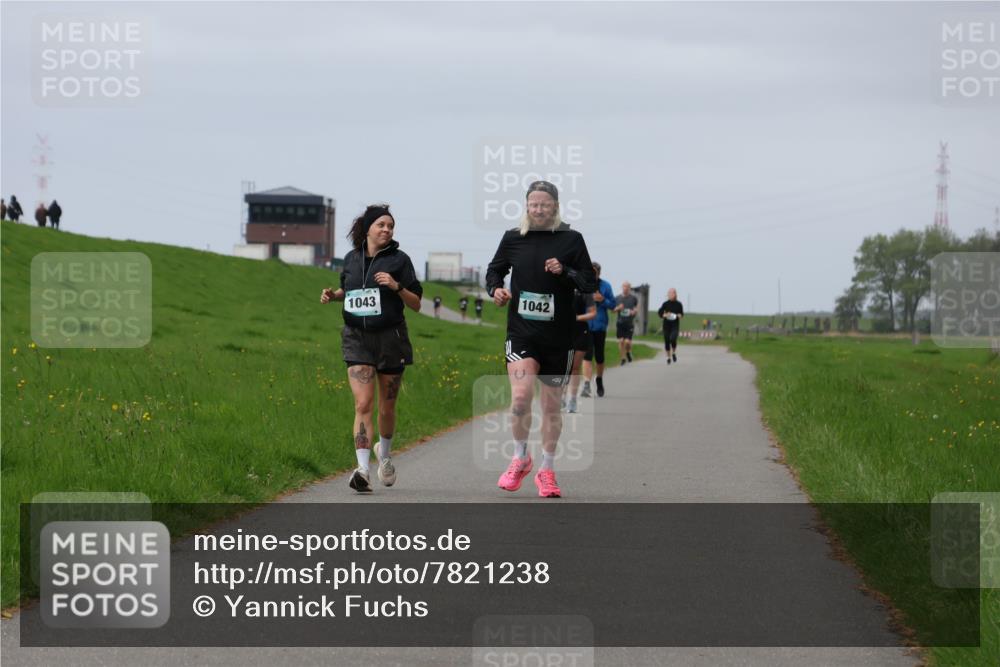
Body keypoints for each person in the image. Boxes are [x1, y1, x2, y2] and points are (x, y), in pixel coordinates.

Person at [486, 180, 596, 498]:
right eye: (533, 204)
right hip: (522, 333)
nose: (538, 209)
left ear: (555, 207)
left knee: (550, 406)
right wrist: (495, 289)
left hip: (559, 338)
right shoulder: (513, 238)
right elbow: (494, 270)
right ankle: (520, 457)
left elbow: (588, 282)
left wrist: (565, 271)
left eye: (544, 204)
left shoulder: (572, 239)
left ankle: (546, 470)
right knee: (521, 399)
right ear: (526, 206)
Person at [320, 204, 423, 493]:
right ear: (367, 229)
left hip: (391, 340)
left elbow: (416, 303)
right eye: (381, 225)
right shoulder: (351, 259)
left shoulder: (400, 260)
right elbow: (349, 290)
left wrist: (396, 286)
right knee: (363, 404)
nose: (387, 230)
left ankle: (385, 455)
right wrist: (334, 295)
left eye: (390, 226)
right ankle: (363, 469)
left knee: (386, 408)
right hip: (357, 339)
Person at [581, 262, 616, 397]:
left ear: (599, 273)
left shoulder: (606, 286)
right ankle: (586, 385)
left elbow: (613, 305)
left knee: (600, 357)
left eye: (594, 272)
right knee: (587, 355)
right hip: (586, 325)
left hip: (600, 326)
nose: (592, 274)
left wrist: (602, 300)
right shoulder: (582, 284)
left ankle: (599, 380)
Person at [564, 288, 596, 413]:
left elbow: (593, 313)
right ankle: (561, 397)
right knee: (562, 367)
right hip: (562, 331)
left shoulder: (584, 291)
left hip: (580, 331)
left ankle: (572, 400)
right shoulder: (559, 285)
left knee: (574, 368)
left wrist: (576, 318)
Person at [613, 281, 639, 365]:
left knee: (627, 342)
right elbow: (613, 310)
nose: (626, 288)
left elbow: (636, 308)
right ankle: (623, 358)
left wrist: (634, 312)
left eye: (627, 286)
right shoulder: (617, 298)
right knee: (621, 341)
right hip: (620, 322)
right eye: (624, 286)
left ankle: (628, 352)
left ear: (630, 288)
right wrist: (618, 308)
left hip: (629, 323)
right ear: (622, 287)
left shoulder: (633, 298)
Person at [658, 288, 684, 364]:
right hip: (666, 325)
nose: (669, 295)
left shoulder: (679, 304)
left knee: (673, 339)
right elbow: (660, 313)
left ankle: (674, 353)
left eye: (671, 293)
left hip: (675, 325)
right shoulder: (665, 304)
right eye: (668, 293)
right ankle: (668, 357)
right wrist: (665, 315)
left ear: (675, 294)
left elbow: (681, 314)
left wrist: (680, 315)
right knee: (667, 341)